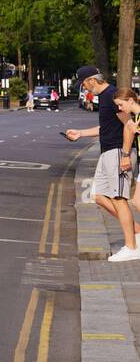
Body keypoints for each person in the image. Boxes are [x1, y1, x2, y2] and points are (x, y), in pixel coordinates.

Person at [67, 67, 140, 261]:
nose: (84, 88)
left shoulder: (112, 96)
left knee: (118, 198)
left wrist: (125, 154)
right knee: (98, 196)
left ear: (92, 80)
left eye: (83, 84)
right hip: (107, 151)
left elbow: (129, 125)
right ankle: (136, 232)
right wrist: (81, 133)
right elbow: (106, 127)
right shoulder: (106, 98)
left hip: (118, 152)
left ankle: (131, 247)